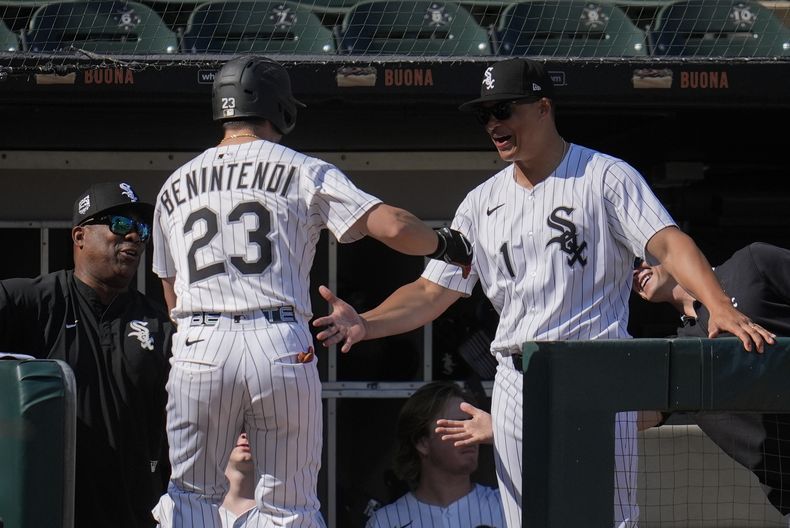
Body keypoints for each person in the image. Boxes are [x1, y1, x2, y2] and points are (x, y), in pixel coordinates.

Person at [313, 58, 775, 528]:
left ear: (543, 108)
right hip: (519, 378)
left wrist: (718, 305)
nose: (494, 123)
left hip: (599, 369)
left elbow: (668, 243)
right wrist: (367, 323)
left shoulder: (605, 176)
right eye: (484, 115)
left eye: (505, 109)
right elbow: (432, 291)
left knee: (609, 519)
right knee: (529, 521)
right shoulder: (479, 202)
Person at [151, 56, 472, 528]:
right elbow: (391, 225)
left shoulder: (173, 185)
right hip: (277, 339)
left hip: (199, 342)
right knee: (289, 506)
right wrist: (444, 243)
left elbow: (172, 292)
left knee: (192, 496)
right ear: (277, 107)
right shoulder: (302, 168)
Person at [0, 181, 172, 528]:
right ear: (80, 237)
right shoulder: (36, 301)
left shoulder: (158, 321)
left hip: (135, 514)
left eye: (141, 230)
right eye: (120, 226)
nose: (135, 238)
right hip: (50, 510)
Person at [633, 241, 790, 517]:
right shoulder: (680, 353)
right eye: (624, 270)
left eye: (638, 256)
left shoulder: (751, 263)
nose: (635, 270)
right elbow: (634, 415)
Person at [366, 381, 505, 528]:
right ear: (422, 443)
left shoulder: (507, 507)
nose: (472, 435)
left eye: (472, 425)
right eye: (457, 427)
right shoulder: (384, 522)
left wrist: (499, 436)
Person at [153, 432, 259, 528]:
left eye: (250, 427)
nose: (244, 435)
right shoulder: (173, 504)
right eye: (238, 427)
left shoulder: (273, 507)